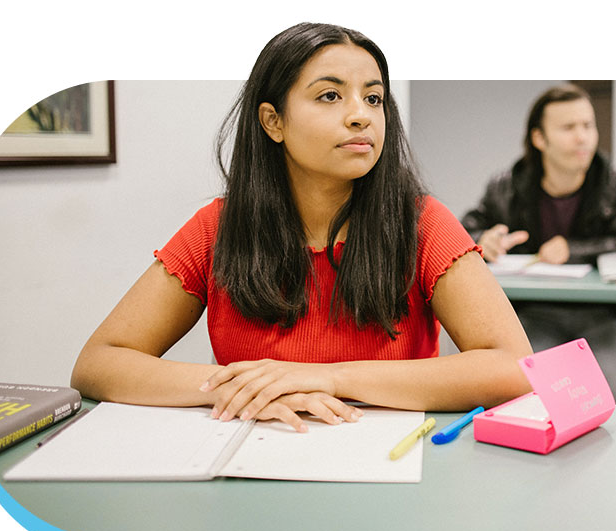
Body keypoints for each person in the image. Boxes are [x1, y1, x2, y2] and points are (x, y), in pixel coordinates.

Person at [71, 23, 532, 432]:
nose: (361, 115)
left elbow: (514, 368)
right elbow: (99, 363)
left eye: (373, 98)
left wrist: (330, 378)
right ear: (273, 121)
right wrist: (248, 388)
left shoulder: (423, 223)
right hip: (254, 460)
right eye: (330, 95)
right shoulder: (217, 228)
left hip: (387, 470)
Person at [461, 84, 616, 404]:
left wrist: (575, 251)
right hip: (533, 314)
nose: (582, 137)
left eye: (588, 126)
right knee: (520, 391)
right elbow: (464, 234)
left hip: (610, 313)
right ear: (539, 139)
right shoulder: (505, 187)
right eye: (568, 127)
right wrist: (482, 242)